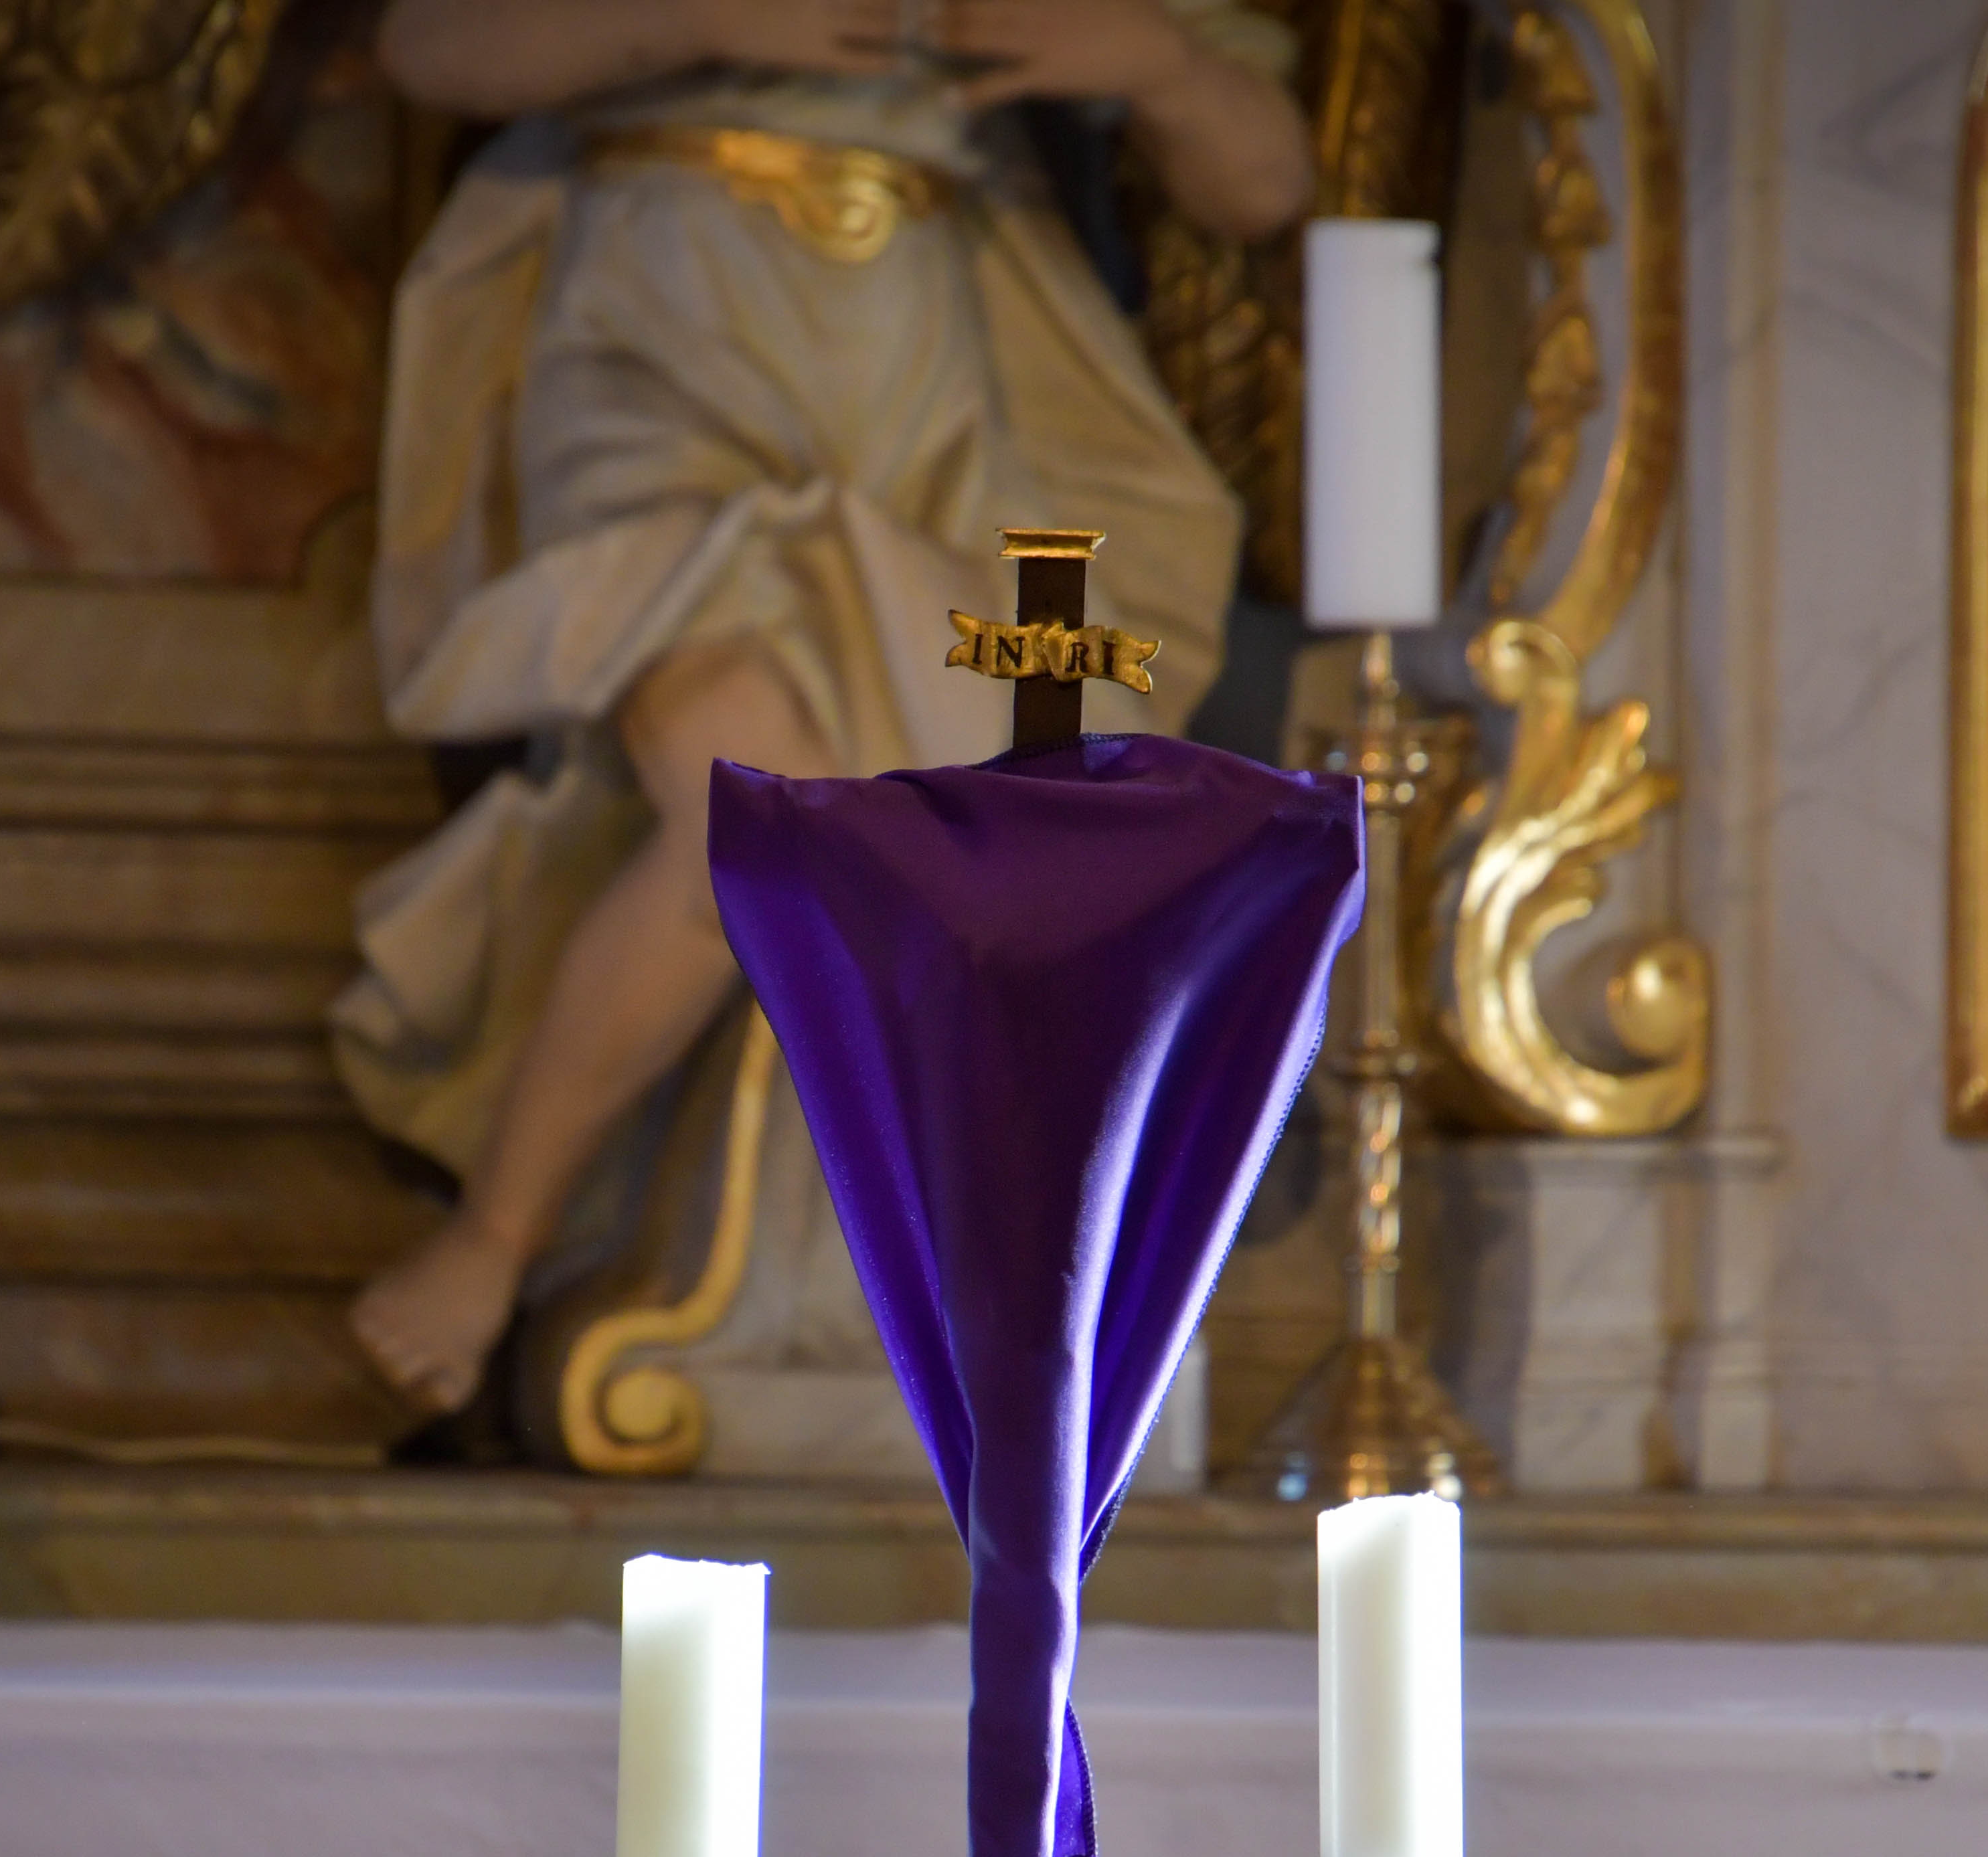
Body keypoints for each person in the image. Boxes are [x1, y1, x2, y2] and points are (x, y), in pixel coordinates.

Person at [333, 0, 1313, 1422]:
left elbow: (1262, 179)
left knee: (986, 825)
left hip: (937, 387)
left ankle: (953, 1280)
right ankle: (495, 1237)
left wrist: (1150, 64)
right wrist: (700, 18)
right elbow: (432, 47)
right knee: (748, 784)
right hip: (664, 348)